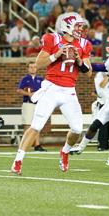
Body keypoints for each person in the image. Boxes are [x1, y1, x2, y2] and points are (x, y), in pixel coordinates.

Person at [11, 12, 92, 174]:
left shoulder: (84, 44)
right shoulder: (52, 39)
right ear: (67, 26)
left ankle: (65, 151)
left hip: (69, 90)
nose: (80, 29)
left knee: (77, 129)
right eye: (77, 26)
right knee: (36, 125)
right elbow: (39, 63)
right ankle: (17, 161)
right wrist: (57, 54)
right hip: (51, 88)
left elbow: (88, 73)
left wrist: (79, 61)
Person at [17, 62, 45, 151]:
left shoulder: (40, 79)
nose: (33, 69)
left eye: (34, 67)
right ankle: (24, 145)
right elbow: (19, 90)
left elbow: (45, 90)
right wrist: (29, 94)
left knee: (37, 125)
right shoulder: (25, 79)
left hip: (38, 104)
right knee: (27, 125)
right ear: (28, 69)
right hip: (28, 104)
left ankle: (37, 145)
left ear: (37, 69)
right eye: (31, 67)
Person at [92, 71, 109, 151]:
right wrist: (108, 76)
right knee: (103, 126)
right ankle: (102, 145)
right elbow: (101, 86)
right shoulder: (100, 74)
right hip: (103, 103)